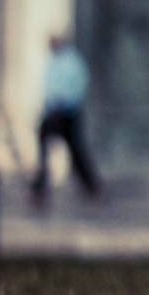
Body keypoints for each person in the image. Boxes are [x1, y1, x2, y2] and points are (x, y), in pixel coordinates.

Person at [31, 29, 102, 205]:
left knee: (76, 149)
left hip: (67, 113)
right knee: (45, 145)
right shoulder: (53, 61)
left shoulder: (72, 62)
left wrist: (63, 102)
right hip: (52, 111)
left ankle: (91, 184)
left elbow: (78, 86)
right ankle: (40, 186)